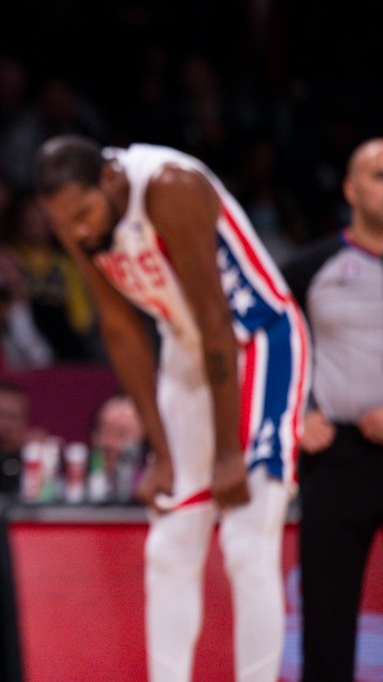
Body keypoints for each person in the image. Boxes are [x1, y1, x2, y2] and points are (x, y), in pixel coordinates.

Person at [34, 135, 309, 682]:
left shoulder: (170, 186)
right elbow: (122, 332)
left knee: (245, 541)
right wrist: (159, 451)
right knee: (169, 544)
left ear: (109, 181)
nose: (81, 231)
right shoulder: (74, 213)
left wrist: (229, 451)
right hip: (187, 352)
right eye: (67, 221)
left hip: (257, 341)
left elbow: (215, 317)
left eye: (86, 213)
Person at [281, 138, 383, 682]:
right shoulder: (314, 266)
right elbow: (259, 341)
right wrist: (291, 416)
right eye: (379, 174)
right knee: (327, 618)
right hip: (338, 456)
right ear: (350, 190)